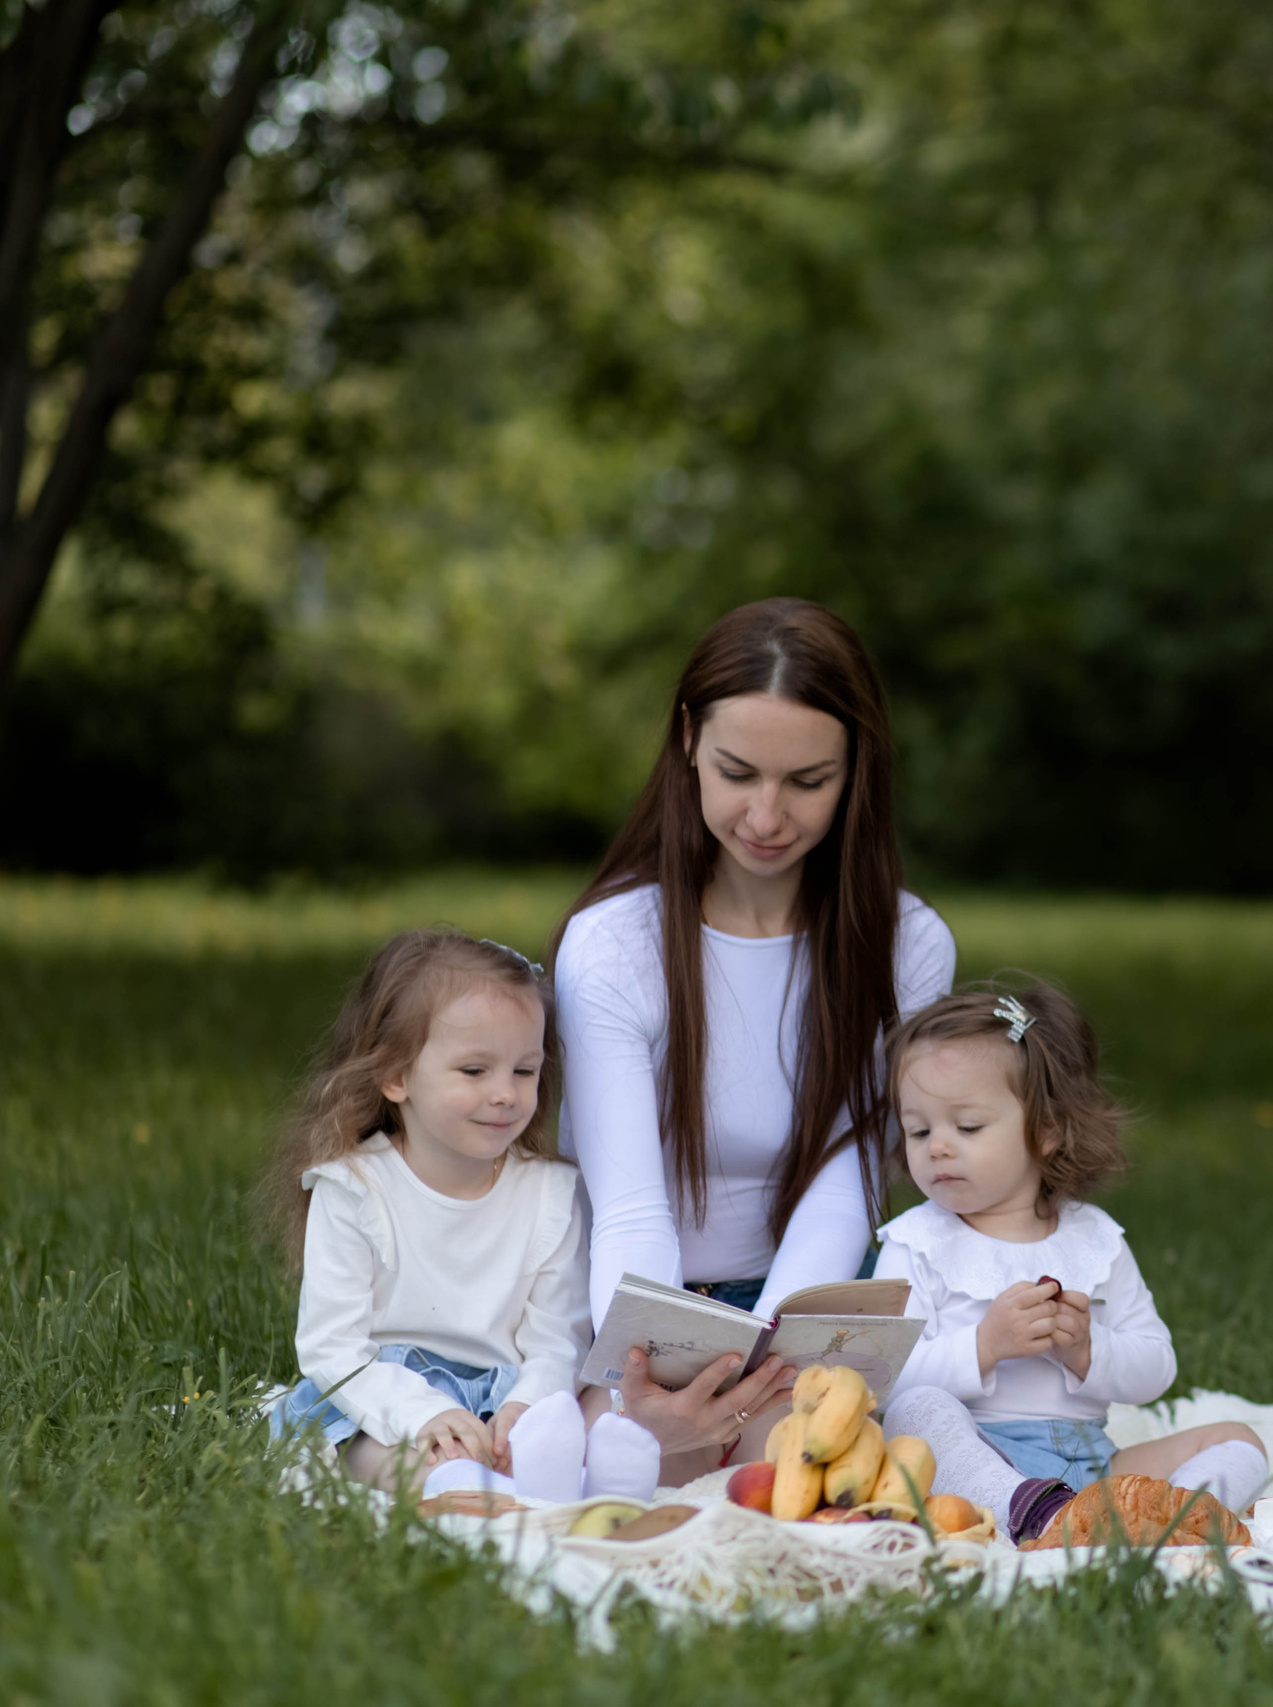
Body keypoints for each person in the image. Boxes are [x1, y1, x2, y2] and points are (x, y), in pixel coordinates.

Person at [553, 598, 956, 1475]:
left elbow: (845, 1186)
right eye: (739, 772)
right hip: (628, 1313)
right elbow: (626, 1209)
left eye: (808, 782)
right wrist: (651, 1379)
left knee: (900, 1448)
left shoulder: (907, 943)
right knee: (615, 1453)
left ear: (857, 771)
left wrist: (766, 1375)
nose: (767, 816)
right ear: (688, 738)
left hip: (798, 1316)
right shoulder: (614, 945)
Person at [270, 930, 659, 1502]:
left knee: (596, 1403)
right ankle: (483, 1490)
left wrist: (527, 1404)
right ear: (396, 1076)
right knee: (394, 1461)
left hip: (508, 1395)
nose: (505, 1093)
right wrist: (424, 1414)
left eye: (524, 1071)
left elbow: (560, 1336)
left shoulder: (550, 1194)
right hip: (383, 1397)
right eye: (475, 1071)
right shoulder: (354, 1189)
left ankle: (573, 1480)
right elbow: (334, 1348)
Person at [874, 981, 1268, 1544]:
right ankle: (1031, 1516)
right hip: (981, 1465)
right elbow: (885, 1378)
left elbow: (1157, 1367)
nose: (936, 1146)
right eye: (919, 1130)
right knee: (918, 1411)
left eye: (966, 1127)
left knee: (1237, 1437)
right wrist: (984, 1346)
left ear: (1048, 1130)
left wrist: (1087, 1349)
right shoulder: (916, 1244)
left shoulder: (1094, 1240)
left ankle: (1173, 1522)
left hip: (1094, 1465)